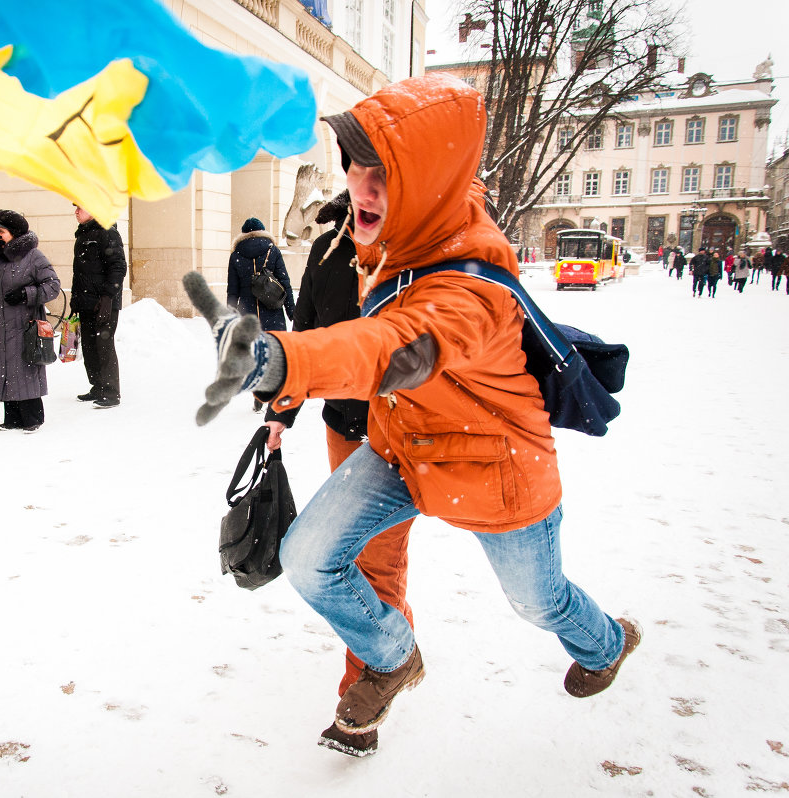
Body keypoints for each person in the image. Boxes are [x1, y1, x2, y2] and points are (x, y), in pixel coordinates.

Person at [183, 73, 639, 756]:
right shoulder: (390, 234)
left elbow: (395, 347)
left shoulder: (470, 291)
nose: (362, 188)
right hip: (401, 446)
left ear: (428, 182)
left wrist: (284, 359)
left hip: (492, 468)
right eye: (357, 166)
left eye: (385, 175)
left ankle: (606, 641)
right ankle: (392, 657)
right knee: (309, 556)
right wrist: (286, 390)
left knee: (537, 602)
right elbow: (325, 314)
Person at [262, 190, 414, 757]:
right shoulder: (326, 252)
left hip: (401, 438)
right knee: (345, 559)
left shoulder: (416, 254)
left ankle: (362, 700)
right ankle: (395, 646)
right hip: (344, 431)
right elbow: (306, 338)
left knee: (379, 562)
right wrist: (280, 416)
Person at [0, 209, 61, 432]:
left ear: (14, 233)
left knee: (24, 368)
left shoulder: (34, 256)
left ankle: (32, 417)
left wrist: (26, 294)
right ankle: (12, 416)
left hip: (25, 324)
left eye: (1, 231)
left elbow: (53, 286)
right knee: (4, 367)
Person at [227, 217, 295, 410]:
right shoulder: (272, 251)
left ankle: (259, 395)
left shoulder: (236, 255)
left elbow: (232, 290)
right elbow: (285, 284)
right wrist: (293, 313)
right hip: (272, 310)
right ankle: (275, 396)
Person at [71, 204, 128, 408]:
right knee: (88, 347)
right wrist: (75, 300)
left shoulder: (107, 233)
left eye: (80, 207)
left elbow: (118, 267)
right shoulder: (82, 235)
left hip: (104, 303)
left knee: (104, 346)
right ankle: (97, 386)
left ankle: (111, 393)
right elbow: (79, 272)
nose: (76, 211)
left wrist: (107, 297)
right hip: (86, 301)